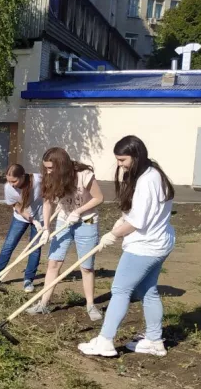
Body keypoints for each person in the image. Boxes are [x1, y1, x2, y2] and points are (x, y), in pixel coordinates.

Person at [79, 136, 176, 357]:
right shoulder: (153, 173)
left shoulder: (146, 181)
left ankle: (105, 341)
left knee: (120, 291)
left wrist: (112, 235)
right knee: (147, 290)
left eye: (123, 159)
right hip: (160, 242)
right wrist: (122, 220)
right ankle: (154, 340)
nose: (120, 164)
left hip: (144, 247)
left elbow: (137, 222)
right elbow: (139, 213)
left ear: (136, 155)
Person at [29, 147, 105, 320]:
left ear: (61, 166)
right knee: (53, 262)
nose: (48, 171)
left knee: (86, 266)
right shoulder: (50, 177)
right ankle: (43, 304)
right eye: (46, 167)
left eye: (51, 168)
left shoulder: (83, 174)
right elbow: (48, 202)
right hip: (64, 219)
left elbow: (99, 198)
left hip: (87, 220)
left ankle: (91, 305)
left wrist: (79, 211)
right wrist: (46, 228)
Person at [0, 164, 44, 293]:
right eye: (8, 180)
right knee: (8, 246)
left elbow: (54, 186)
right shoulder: (9, 188)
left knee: (35, 249)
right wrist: (31, 219)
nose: (12, 184)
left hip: (40, 216)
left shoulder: (38, 180)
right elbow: (18, 207)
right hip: (21, 217)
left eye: (14, 181)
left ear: (23, 176)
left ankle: (28, 280)